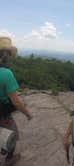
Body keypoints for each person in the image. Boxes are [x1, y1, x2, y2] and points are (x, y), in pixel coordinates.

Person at [0, 37, 32, 166]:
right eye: (8, 55)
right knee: (12, 134)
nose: (9, 58)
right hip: (2, 112)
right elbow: (17, 102)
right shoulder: (6, 73)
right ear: (4, 55)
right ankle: (9, 158)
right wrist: (27, 114)